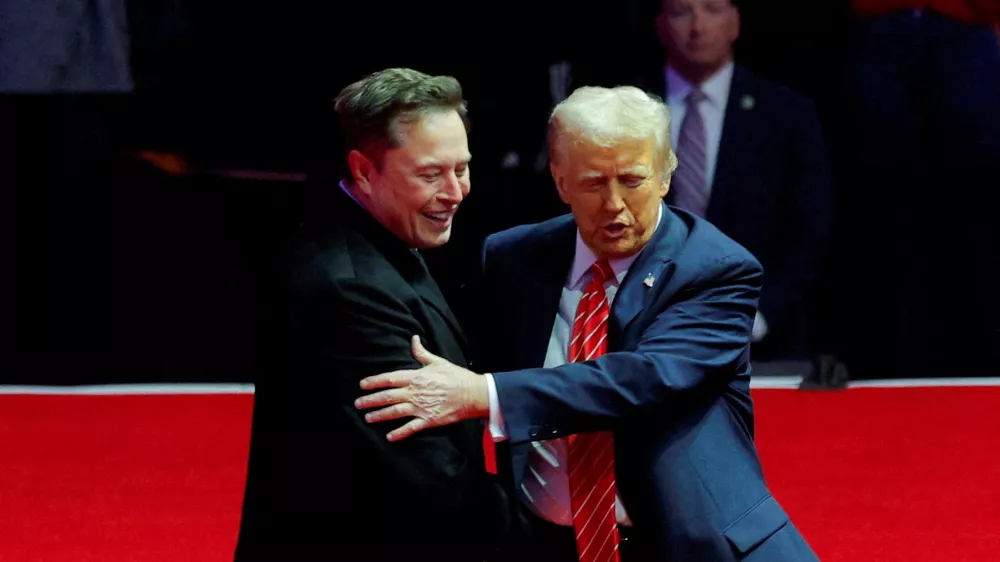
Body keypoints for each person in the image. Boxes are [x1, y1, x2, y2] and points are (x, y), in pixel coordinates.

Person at [355, 86, 817, 561]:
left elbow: (642, 379)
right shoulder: (514, 259)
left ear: (665, 175)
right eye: (594, 183)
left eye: (632, 180)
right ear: (560, 182)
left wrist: (484, 394)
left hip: (688, 544)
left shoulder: (715, 269)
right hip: (543, 542)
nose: (614, 204)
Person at [233, 68, 509, 562]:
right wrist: (554, 522)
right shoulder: (350, 288)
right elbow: (429, 483)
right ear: (363, 170)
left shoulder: (376, 239)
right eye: (430, 174)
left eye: (462, 168)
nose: (456, 191)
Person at [634, 0, 834, 361]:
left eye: (712, 9)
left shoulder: (786, 114)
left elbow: (809, 231)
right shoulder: (625, 114)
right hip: (642, 340)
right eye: (682, 12)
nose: (698, 26)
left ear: (736, 22)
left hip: (765, 346)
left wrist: (761, 316)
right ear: (661, 25)